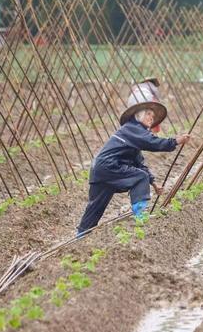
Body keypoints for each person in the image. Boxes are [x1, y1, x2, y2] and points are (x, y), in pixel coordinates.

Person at [76, 100, 190, 235]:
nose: (151, 119)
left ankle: (81, 234)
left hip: (99, 170)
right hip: (110, 166)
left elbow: (139, 163)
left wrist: (153, 183)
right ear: (138, 115)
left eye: (152, 117)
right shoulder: (133, 128)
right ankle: (140, 215)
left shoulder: (134, 136)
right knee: (139, 177)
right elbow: (152, 143)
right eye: (148, 114)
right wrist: (175, 141)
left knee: (95, 206)